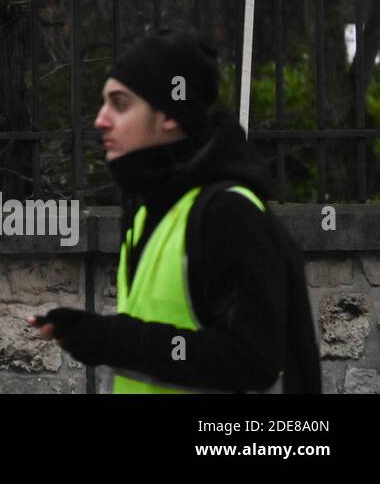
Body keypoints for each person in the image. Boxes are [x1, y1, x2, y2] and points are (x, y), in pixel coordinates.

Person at [29, 27, 317, 393]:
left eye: (120, 103)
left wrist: (110, 339)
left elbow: (252, 360)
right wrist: (89, 334)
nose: (100, 119)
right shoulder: (150, 212)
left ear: (169, 115)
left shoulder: (228, 213)